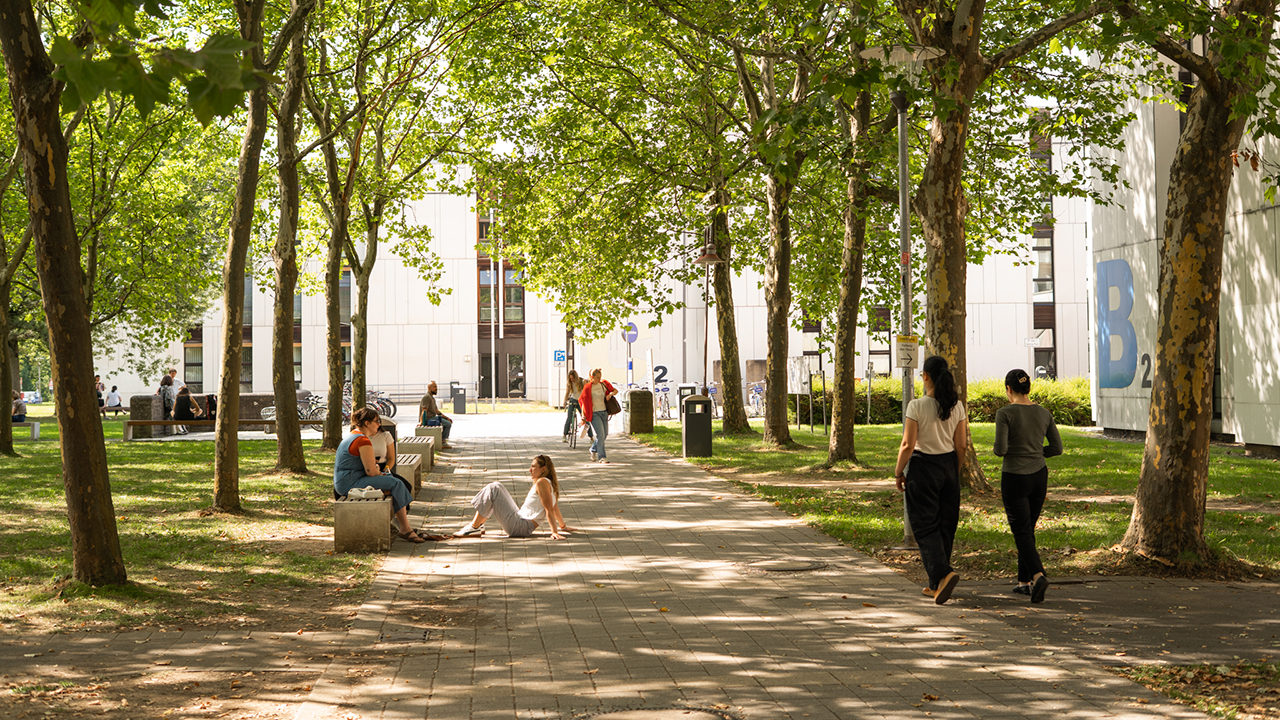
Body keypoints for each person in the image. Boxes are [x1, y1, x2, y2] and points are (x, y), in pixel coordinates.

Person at [893, 355, 969, 605]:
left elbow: (907, 444)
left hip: (923, 468)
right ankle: (937, 584)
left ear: (925, 376)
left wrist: (898, 472)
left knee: (924, 526)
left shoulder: (916, 406)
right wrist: (953, 471)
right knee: (946, 525)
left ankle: (943, 574)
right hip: (948, 466)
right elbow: (961, 446)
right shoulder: (957, 406)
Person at [993, 368, 1063, 604]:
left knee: (1021, 530)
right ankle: (1024, 582)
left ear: (1009, 389)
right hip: (1039, 476)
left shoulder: (1005, 413)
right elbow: (1057, 448)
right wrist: (1036, 452)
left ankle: (1037, 575)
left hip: (1014, 476)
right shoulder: (1044, 413)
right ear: (1028, 388)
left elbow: (1001, 449)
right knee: (1028, 528)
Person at [334, 408, 435, 543]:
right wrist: (376, 468)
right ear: (367, 423)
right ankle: (405, 528)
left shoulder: (352, 436)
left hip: (343, 482)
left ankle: (400, 524)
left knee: (392, 481)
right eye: (376, 421)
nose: (379, 424)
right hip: (350, 483)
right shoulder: (363, 440)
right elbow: (371, 472)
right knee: (396, 483)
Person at [454, 454, 577, 539]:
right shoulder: (549, 483)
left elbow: (549, 509)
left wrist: (554, 532)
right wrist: (563, 526)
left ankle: (474, 527)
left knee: (494, 488)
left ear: (543, 469)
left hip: (520, 527)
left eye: (533, 466)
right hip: (520, 520)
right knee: (497, 486)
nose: (530, 470)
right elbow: (554, 507)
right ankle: (477, 526)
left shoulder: (542, 483)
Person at [578, 368, 617, 463]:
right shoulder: (588, 388)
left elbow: (615, 390)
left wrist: (610, 394)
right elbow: (583, 403)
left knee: (604, 435)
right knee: (600, 434)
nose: (599, 379)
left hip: (604, 412)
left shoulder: (603, 384)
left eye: (600, 377)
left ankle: (593, 449)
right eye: (597, 377)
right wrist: (583, 417)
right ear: (592, 377)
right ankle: (602, 457)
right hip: (594, 413)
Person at [369, 423, 412, 494]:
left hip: (383, 467)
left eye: (379, 421)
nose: (378, 424)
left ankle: (401, 505)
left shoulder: (385, 435)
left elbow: (391, 458)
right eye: (375, 421)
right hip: (367, 468)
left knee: (406, 486)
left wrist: (385, 471)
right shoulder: (361, 437)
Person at [418, 381, 453, 450]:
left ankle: (442, 440)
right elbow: (424, 410)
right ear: (429, 388)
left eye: (436, 387)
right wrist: (421, 422)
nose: (436, 388)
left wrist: (446, 418)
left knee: (447, 422)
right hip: (429, 419)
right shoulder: (427, 397)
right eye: (434, 387)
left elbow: (437, 411)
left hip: (433, 418)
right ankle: (442, 441)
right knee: (448, 424)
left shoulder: (432, 398)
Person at [562, 369, 592, 443]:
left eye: (573, 378)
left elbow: (587, 391)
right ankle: (564, 435)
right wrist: (565, 401)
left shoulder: (582, 382)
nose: (572, 380)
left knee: (585, 418)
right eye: (570, 378)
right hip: (573, 399)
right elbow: (567, 393)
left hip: (581, 401)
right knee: (569, 418)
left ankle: (591, 437)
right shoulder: (569, 383)